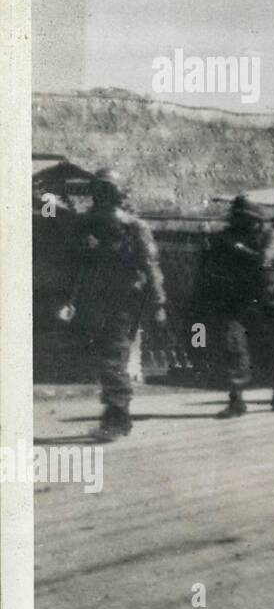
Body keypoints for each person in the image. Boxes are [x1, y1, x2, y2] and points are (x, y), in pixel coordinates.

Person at [57, 168, 166, 439]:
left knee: (112, 357)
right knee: (105, 357)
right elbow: (78, 266)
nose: (102, 198)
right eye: (99, 192)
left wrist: (158, 303)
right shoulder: (86, 225)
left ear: (117, 195)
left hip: (124, 302)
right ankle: (117, 416)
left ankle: (117, 418)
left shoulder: (133, 227)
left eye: (107, 192)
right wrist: (70, 300)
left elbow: (150, 266)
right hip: (96, 301)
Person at [208, 195, 274, 418]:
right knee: (233, 346)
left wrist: (238, 249)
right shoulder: (227, 236)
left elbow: (265, 258)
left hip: (264, 300)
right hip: (234, 299)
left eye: (242, 217)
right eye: (236, 217)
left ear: (255, 218)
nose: (237, 221)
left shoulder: (270, 234)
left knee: (268, 346)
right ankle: (236, 400)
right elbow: (212, 264)